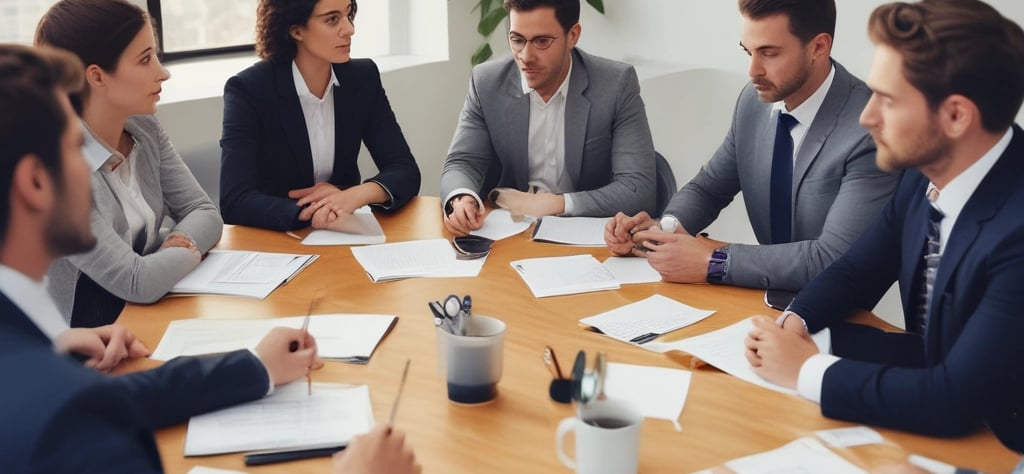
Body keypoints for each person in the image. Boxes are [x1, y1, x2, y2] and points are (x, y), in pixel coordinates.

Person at [0, 43, 419, 474]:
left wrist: (255, 367)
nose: (104, 163)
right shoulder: (63, 422)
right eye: (78, 148)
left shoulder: (34, 354)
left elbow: (108, 402)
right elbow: (82, 415)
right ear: (35, 182)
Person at [744, 0, 1024, 452]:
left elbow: (952, 399)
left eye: (888, 100)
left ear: (955, 116)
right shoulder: (926, 171)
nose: (866, 116)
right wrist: (795, 325)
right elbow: (858, 269)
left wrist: (805, 370)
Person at [605, 0, 899, 291]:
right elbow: (709, 188)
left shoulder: (870, 129)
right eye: (748, 51)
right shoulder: (754, 102)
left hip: (839, 311)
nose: (752, 70)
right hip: (762, 297)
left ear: (818, 47)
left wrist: (714, 261)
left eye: (769, 54)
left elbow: (832, 258)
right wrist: (663, 232)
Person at [35, 0, 222, 328]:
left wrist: (171, 250)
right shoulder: (55, 172)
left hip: (143, 316)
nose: (163, 72)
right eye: (145, 59)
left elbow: (205, 211)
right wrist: (185, 248)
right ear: (96, 76)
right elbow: (138, 283)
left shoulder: (144, 128)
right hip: (81, 341)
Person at [440, 0, 657, 236]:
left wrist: (556, 204)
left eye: (542, 41)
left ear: (572, 36)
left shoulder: (615, 84)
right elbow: (463, 161)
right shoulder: (486, 82)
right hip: (508, 233)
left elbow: (638, 189)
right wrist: (461, 197)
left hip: (587, 235)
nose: (526, 56)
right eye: (517, 40)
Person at [220, 0, 421, 231]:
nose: (349, 29)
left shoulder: (362, 78)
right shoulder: (249, 89)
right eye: (332, 19)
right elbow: (234, 200)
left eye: (348, 15)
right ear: (296, 30)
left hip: (345, 230)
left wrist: (356, 195)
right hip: (278, 236)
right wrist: (315, 211)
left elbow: (404, 168)